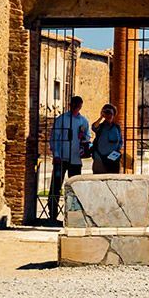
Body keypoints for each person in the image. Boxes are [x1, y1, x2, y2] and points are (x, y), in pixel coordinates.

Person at [45, 95, 91, 223]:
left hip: (76, 159)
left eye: (79, 105)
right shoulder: (62, 119)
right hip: (62, 157)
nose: (77, 107)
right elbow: (55, 137)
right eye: (75, 105)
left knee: (75, 188)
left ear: (81, 106)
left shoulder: (83, 121)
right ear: (70, 105)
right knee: (56, 186)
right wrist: (57, 154)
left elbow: (88, 137)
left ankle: (73, 216)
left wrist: (83, 137)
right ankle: (52, 214)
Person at [91, 102, 124, 174]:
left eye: (110, 113)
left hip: (113, 158)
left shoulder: (116, 127)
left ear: (114, 115)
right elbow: (93, 127)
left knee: (113, 179)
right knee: (98, 180)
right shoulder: (101, 127)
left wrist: (115, 152)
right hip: (100, 159)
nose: (109, 115)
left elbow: (120, 142)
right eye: (107, 113)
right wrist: (101, 117)